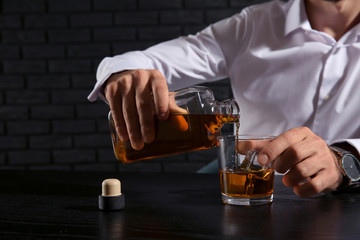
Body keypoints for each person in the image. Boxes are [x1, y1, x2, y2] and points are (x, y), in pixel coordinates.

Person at [88, 0, 360, 197]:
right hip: (246, 189)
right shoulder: (252, 25)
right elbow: (144, 60)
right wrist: (123, 74)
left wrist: (344, 159)